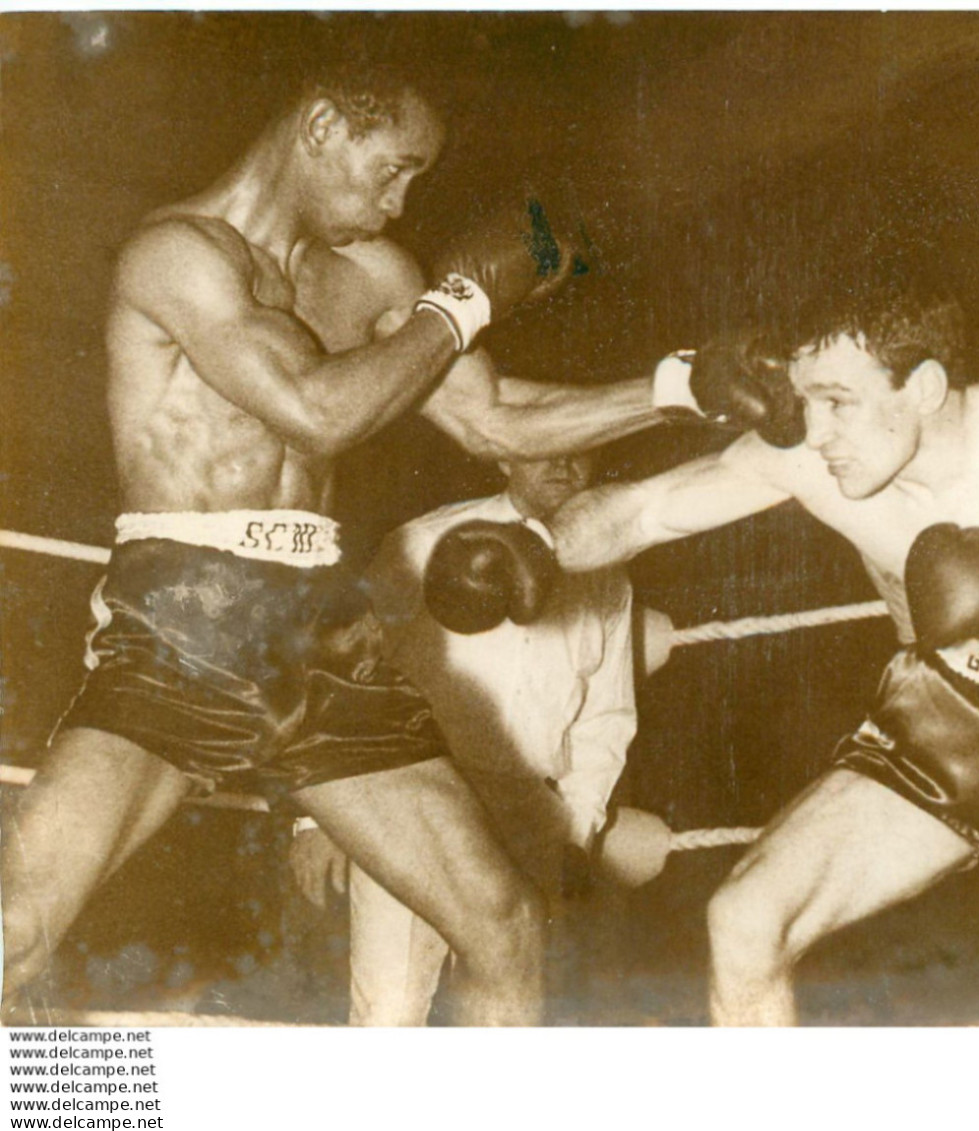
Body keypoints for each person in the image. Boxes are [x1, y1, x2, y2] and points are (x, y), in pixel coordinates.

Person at [0, 59, 747, 1025]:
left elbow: (499, 424)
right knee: (16, 923)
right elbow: (316, 413)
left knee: (504, 919)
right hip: (183, 622)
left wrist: (682, 388)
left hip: (321, 634)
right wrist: (466, 303)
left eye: (416, 182)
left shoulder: (375, 279)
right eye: (391, 169)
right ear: (320, 129)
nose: (399, 204)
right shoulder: (176, 256)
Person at [462, 288, 979, 1026]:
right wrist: (535, 546)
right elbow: (643, 511)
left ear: (919, 388)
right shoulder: (813, 455)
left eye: (840, 402)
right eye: (808, 402)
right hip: (936, 723)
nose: (817, 431)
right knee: (743, 919)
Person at [290, 449, 635, 1025]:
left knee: (506, 1012)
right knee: (390, 1009)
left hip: (532, 810)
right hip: (419, 793)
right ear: (503, 453)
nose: (564, 465)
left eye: (582, 451)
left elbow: (606, 715)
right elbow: (342, 671)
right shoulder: (423, 542)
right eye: (543, 447)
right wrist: (316, 817)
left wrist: (577, 830)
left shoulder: (607, 573)